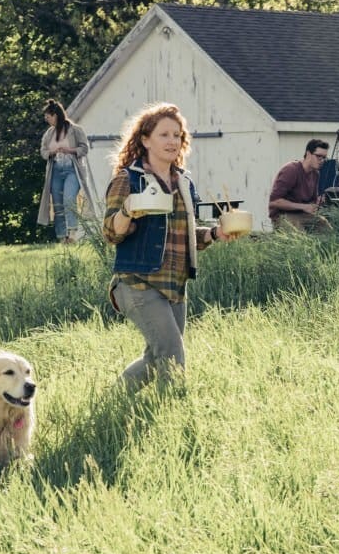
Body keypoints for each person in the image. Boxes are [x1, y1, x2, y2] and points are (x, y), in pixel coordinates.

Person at [102, 102, 239, 392]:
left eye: (177, 135)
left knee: (156, 359)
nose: (172, 141)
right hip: (138, 282)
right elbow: (110, 233)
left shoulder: (184, 182)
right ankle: (174, 413)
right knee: (173, 356)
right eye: (164, 134)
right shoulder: (128, 180)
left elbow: (185, 235)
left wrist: (215, 233)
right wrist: (129, 212)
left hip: (175, 285)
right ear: (145, 140)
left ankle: (111, 400)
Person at [37, 98, 97, 243]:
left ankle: (72, 233)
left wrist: (69, 150)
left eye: (48, 117)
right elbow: (43, 151)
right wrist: (52, 152)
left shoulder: (75, 130)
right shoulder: (49, 134)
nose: (47, 120)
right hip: (56, 170)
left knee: (69, 200)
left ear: (55, 115)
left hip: (72, 169)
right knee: (57, 204)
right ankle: (62, 236)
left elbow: (84, 148)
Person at [268, 138, 332, 232]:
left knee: (326, 228)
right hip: (282, 216)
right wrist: (303, 207)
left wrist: (318, 202)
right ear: (308, 154)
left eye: (324, 158)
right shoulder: (291, 170)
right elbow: (275, 202)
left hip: (302, 215)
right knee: (301, 237)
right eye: (319, 156)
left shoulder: (315, 174)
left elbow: (311, 204)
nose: (322, 160)